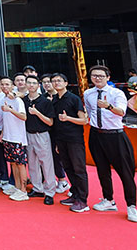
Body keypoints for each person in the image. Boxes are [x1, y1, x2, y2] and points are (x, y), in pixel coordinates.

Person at [84, 65, 137, 223]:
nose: (97, 78)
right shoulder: (88, 93)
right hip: (96, 135)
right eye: (94, 76)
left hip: (115, 135)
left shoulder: (116, 93)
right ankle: (108, 200)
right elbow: (90, 111)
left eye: (101, 76)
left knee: (125, 172)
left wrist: (108, 106)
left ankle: (131, 206)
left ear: (108, 77)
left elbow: (122, 112)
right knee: (102, 169)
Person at [51, 72, 90, 213]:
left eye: (59, 80)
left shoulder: (74, 99)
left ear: (66, 83)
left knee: (79, 169)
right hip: (61, 139)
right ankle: (75, 194)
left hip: (74, 139)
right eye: (54, 81)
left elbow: (84, 120)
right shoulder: (55, 99)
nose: (56, 83)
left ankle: (83, 200)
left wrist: (68, 118)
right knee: (68, 167)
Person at [23, 75, 56, 205]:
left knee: (46, 164)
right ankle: (37, 188)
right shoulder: (24, 100)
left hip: (41, 135)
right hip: (27, 134)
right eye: (29, 83)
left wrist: (37, 113)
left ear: (38, 85)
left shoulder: (45, 101)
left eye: (34, 83)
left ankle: (50, 192)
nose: (31, 85)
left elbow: (50, 122)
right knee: (32, 163)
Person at [0, 76, 28, 202]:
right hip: (7, 137)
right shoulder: (4, 99)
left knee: (20, 164)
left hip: (18, 138)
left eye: (7, 84)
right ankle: (17, 187)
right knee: (12, 163)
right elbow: (6, 120)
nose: (4, 86)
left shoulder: (18, 100)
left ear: (12, 86)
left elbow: (23, 117)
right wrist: (2, 133)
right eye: (2, 84)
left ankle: (23, 190)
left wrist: (10, 110)